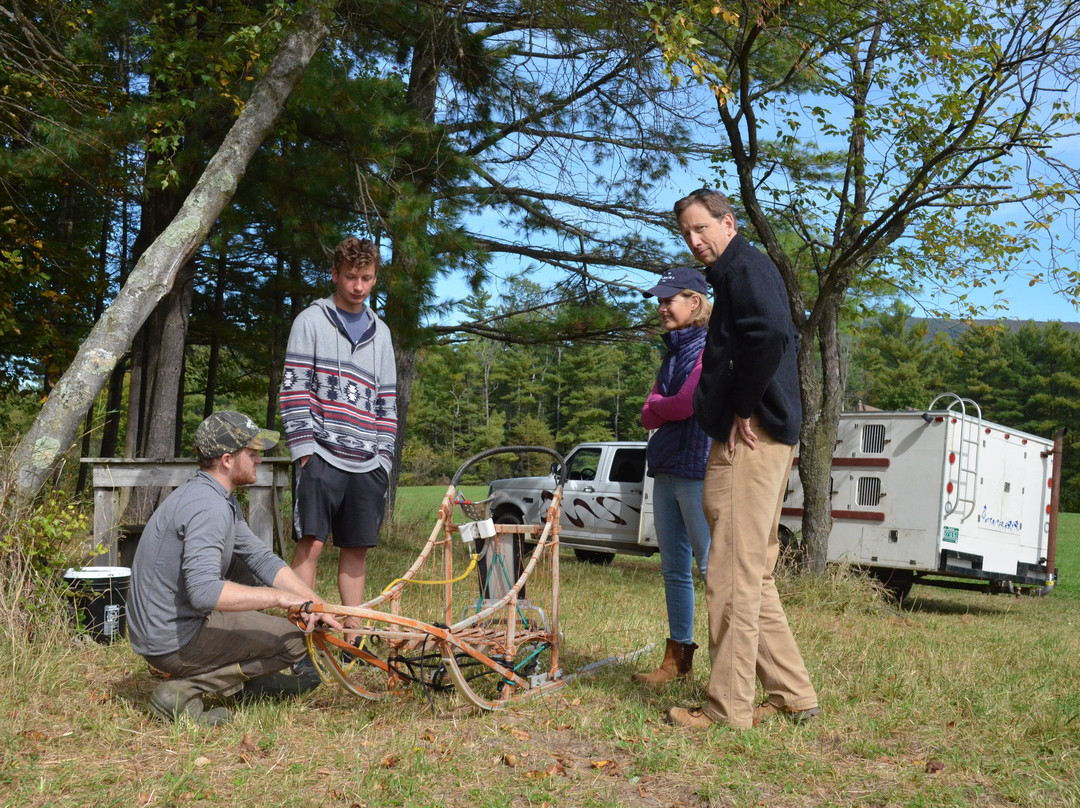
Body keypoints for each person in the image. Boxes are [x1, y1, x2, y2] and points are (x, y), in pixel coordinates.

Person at [664, 189, 820, 731]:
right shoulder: (738, 273)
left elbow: (773, 336)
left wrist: (742, 408)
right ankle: (792, 692)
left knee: (730, 573)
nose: (694, 240)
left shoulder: (745, 269)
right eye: (686, 232)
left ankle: (727, 706)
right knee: (754, 571)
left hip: (749, 440)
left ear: (728, 223)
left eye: (701, 228)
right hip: (764, 439)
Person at [128, 411, 341, 726]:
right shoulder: (209, 508)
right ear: (227, 460)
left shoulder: (214, 497)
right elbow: (204, 593)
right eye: (251, 452)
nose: (259, 458)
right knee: (295, 641)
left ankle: (240, 682)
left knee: (248, 573)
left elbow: (261, 557)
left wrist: (314, 603)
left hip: (164, 630)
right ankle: (183, 691)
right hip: (171, 641)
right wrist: (280, 599)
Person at [279, 236, 397, 642]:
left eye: (366, 278)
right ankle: (301, 634)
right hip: (321, 456)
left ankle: (352, 636)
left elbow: (387, 401)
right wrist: (305, 451)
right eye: (350, 277)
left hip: (368, 461)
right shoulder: (310, 322)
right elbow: (294, 391)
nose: (358, 286)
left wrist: (384, 457)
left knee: (356, 549)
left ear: (374, 278)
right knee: (310, 545)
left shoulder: (381, 333)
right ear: (335, 274)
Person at [633, 267, 713, 685]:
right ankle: (678, 660)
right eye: (659, 301)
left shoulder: (709, 346)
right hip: (664, 467)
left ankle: (728, 666)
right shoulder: (672, 352)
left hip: (696, 470)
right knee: (674, 570)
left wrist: (660, 404)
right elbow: (647, 414)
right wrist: (662, 405)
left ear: (695, 302)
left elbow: (684, 404)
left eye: (669, 300)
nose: (661, 308)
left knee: (709, 568)